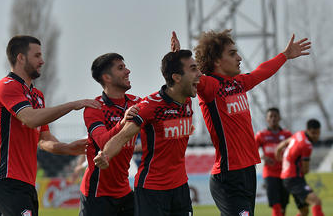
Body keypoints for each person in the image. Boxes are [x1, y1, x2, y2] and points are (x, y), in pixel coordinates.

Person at [173, 30, 310, 216]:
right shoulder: (211, 86)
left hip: (248, 172)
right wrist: (177, 57)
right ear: (217, 61)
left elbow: (262, 72)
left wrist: (284, 55)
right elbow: (190, 75)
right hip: (228, 176)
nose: (239, 57)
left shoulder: (239, 83)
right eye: (232, 53)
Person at [0, 35, 101, 216]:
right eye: (37, 56)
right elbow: (30, 118)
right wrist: (72, 105)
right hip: (6, 179)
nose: (42, 61)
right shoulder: (7, 86)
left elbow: (43, 138)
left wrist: (67, 148)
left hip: (27, 183)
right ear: (21, 57)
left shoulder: (37, 95)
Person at [94, 48, 201, 216]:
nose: (200, 74)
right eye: (194, 69)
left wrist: (177, 54)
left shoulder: (187, 99)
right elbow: (124, 136)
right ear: (177, 78)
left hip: (180, 188)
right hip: (152, 190)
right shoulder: (150, 106)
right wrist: (105, 155)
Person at [80, 53, 141, 216]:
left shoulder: (137, 103)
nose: (128, 71)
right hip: (97, 193)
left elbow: (163, 102)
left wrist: (174, 62)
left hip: (124, 191)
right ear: (106, 77)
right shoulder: (94, 107)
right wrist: (122, 122)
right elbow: (102, 142)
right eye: (121, 68)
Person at [276, 119, 325, 216]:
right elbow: (305, 170)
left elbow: (280, 146)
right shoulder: (307, 145)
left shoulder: (298, 134)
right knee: (316, 201)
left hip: (288, 177)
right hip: (294, 179)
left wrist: (279, 158)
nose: (316, 136)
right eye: (313, 133)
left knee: (304, 211)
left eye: (318, 133)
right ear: (308, 130)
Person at [255, 108, 292, 216]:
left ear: (279, 118)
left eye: (275, 116)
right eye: (270, 116)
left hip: (285, 173)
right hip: (270, 173)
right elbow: (252, 150)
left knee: (283, 206)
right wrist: (263, 157)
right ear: (267, 119)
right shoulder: (261, 135)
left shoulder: (287, 134)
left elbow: (294, 150)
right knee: (276, 204)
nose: (273, 118)